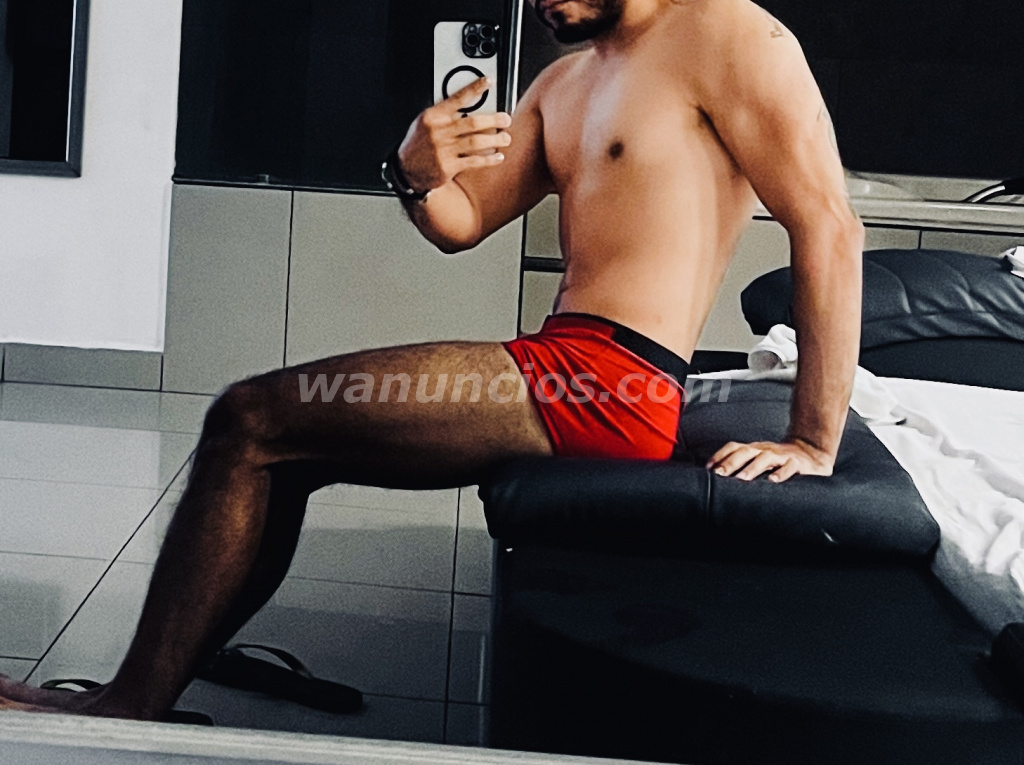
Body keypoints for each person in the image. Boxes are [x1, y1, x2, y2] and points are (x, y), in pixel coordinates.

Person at [0, 0, 862, 719]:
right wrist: (413, 170)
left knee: (248, 416)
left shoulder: (729, 32)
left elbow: (828, 223)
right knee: (274, 449)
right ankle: (158, 686)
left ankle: (130, 702)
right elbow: (463, 221)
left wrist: (813, 440)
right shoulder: (565, 82)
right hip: (560, 361)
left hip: (615, 382)